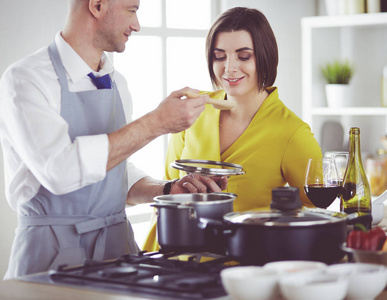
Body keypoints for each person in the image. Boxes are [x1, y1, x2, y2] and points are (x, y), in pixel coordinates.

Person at [0, 0, 225, 279]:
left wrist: (166, 190)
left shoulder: (118, 82)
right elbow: (60, 170)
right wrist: (156, 123)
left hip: (118, 254)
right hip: (49, 259)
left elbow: (114, 171)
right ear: (96, 5)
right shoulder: (26, 79)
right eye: (132, 9)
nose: (137, 25)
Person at [142, 7, 322, 252]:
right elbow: (167, 190)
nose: (229, 68)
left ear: (264, 56)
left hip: (242, 267)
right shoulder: (192, 111)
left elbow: (315, 217)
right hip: (171, 258)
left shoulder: (292, 133)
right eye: (219, 56)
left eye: (243, 56)